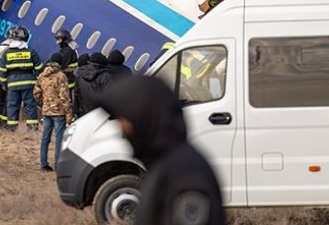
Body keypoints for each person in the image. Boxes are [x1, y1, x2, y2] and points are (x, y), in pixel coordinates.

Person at [96, 77, 225, 225]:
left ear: (143, 116)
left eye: (124, 120)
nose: (122, 129)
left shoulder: (186, 173)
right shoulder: (163, 165)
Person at [0, 25, 43, 131]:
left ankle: (12, 127)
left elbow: (3, 71)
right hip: (28, 83)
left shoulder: (7, 53)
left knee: (12, 105)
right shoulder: (31, 52)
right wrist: (36, 80)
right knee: (30, 105)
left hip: (13, 84)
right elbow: (39, 68)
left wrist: (3, 84)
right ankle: (32, 128)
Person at [34, 52, 72, 172]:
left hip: (46, 111)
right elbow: (64, 97)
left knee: (45, 137)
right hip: (58, 112)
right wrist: (68, 113)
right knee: (59, 138)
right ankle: (58, 163)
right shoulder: (61, 76)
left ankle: (44, 163)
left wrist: (43, 103)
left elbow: (36, 93)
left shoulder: (42, 75)